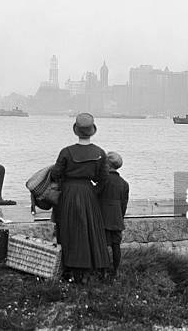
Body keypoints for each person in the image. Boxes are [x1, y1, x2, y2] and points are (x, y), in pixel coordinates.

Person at [51, 113, 110, 282]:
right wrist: (92, 192)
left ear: (76, 131)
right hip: (88, 192)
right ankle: (90, 269)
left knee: (69, 230)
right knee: (90, 231)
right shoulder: (100, 152)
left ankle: (69, 268)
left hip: (68, 192)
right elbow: (104, 178)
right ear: (92, 131)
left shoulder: (66, 151)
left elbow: (56, 174)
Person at [98, 152, 129, 278]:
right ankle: (116, 270)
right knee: (116, 246)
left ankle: (103, 271)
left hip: (103, 218)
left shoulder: (104, 180)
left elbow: (96, 195)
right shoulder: (124, 183)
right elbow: (124, 204)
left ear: (107, 165)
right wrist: (120, 217)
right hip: (117, 219)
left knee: (103, 245)